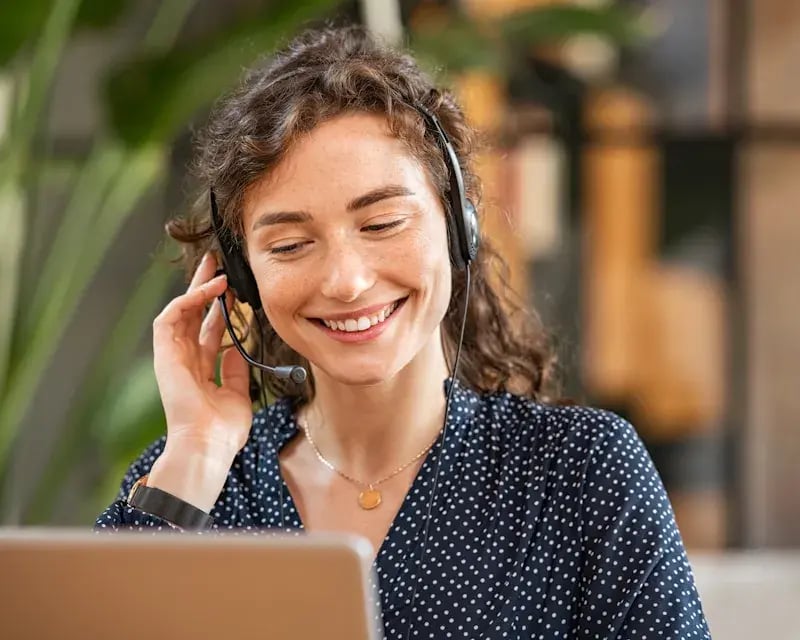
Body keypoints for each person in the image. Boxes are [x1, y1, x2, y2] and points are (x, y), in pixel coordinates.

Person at [95, 25, 711, 639]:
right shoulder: (193, 483)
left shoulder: (578, 471)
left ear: (457, 226)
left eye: (382, 222)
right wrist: (196, 456)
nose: (346, 280)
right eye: (289, 244)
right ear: (244, 277)